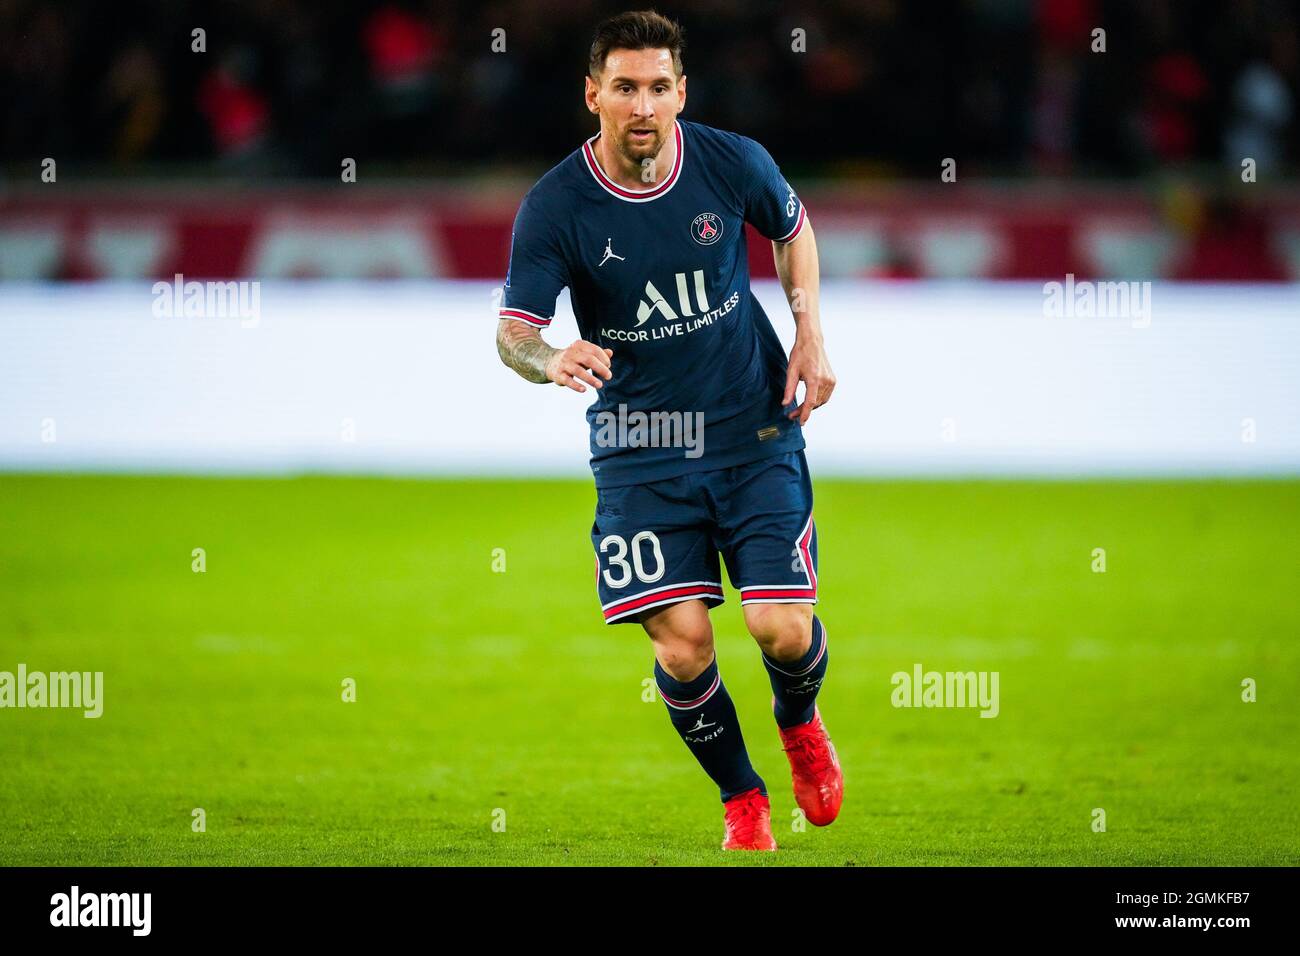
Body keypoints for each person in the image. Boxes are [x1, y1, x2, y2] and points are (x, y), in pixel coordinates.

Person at [494, 9, 840, 851]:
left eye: (658, 88)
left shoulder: (733, 163)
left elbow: (794, 231)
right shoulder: (557, 206)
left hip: (751, 428)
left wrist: (809, 334)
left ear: (681, 93)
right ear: (593, 96)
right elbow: (513, 333)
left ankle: (798, 721)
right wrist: (550, 360)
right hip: (641, 447)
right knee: (684, 650)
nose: (642, 105)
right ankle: (742, 797)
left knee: (780, 630)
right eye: (624, 88)